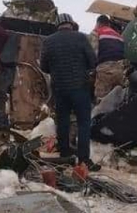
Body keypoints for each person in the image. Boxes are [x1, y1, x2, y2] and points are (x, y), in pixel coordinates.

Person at [40, 13, 100, 171]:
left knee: (63, 122)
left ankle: (65, 155)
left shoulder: (49, 41)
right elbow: (92, 61)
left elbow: (43, 67)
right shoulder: (80, 38)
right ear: (71, 24)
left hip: (59, 89)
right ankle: (83, 159)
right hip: (79, 87)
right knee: (83, 123)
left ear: (57, 25)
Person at [88, 15, 126, 101]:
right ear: (108, 24)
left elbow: (93, 54)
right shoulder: (118, 36)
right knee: (116, 101)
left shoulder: (96, 32)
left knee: (101, 101)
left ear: (98, 23)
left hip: (105, 71)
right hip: (120, 71)